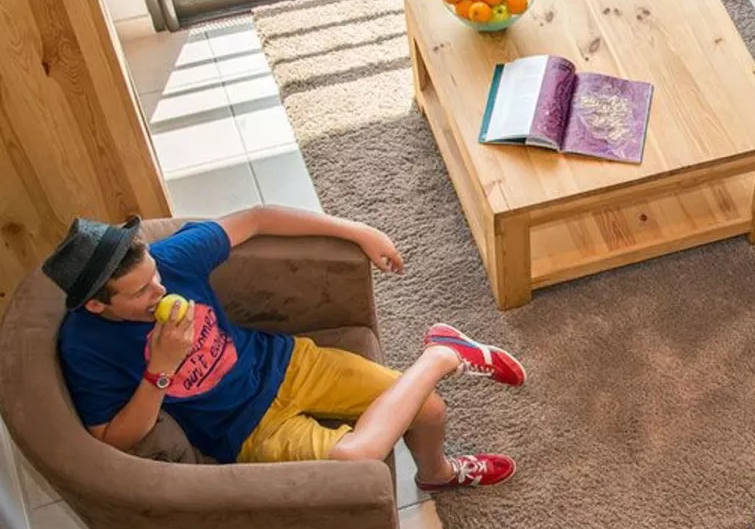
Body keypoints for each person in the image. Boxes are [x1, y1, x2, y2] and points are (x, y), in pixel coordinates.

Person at [44, 207, 525, 490]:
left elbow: (257, 217)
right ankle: (442, 353)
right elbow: (113, 438)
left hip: (289, 364)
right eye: (141, 292)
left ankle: (437, 474)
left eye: (156, 278)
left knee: (431, 409)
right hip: (247, 429)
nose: (161, 291)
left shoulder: (168, 260)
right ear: (96, 306)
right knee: (361, 457)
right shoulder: (86, 347)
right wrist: (160, 370)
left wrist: (356, 230)